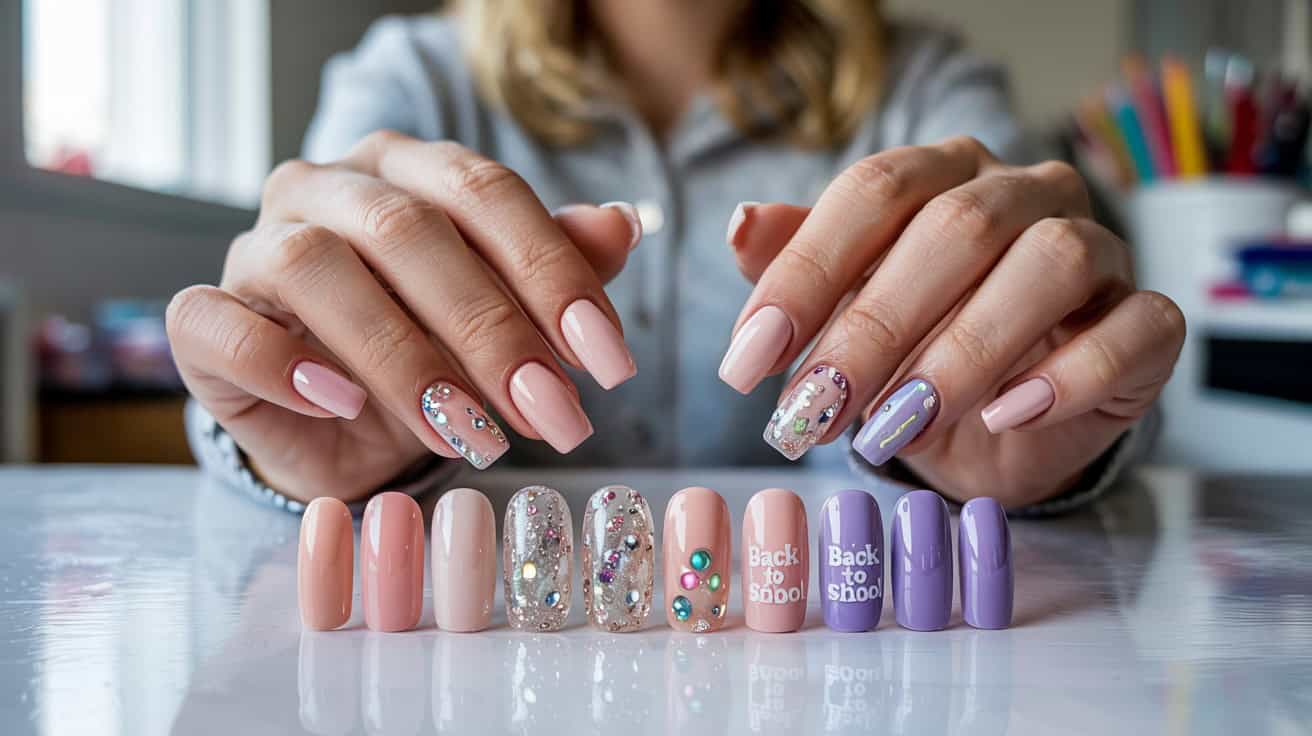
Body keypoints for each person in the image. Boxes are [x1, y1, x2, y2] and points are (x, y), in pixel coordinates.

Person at [167, 0, 1184, 515]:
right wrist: (295, 446)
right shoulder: (412, 79)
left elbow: (1067, 342)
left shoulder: (927, 87)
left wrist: (1036, 429)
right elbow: (277, 310)